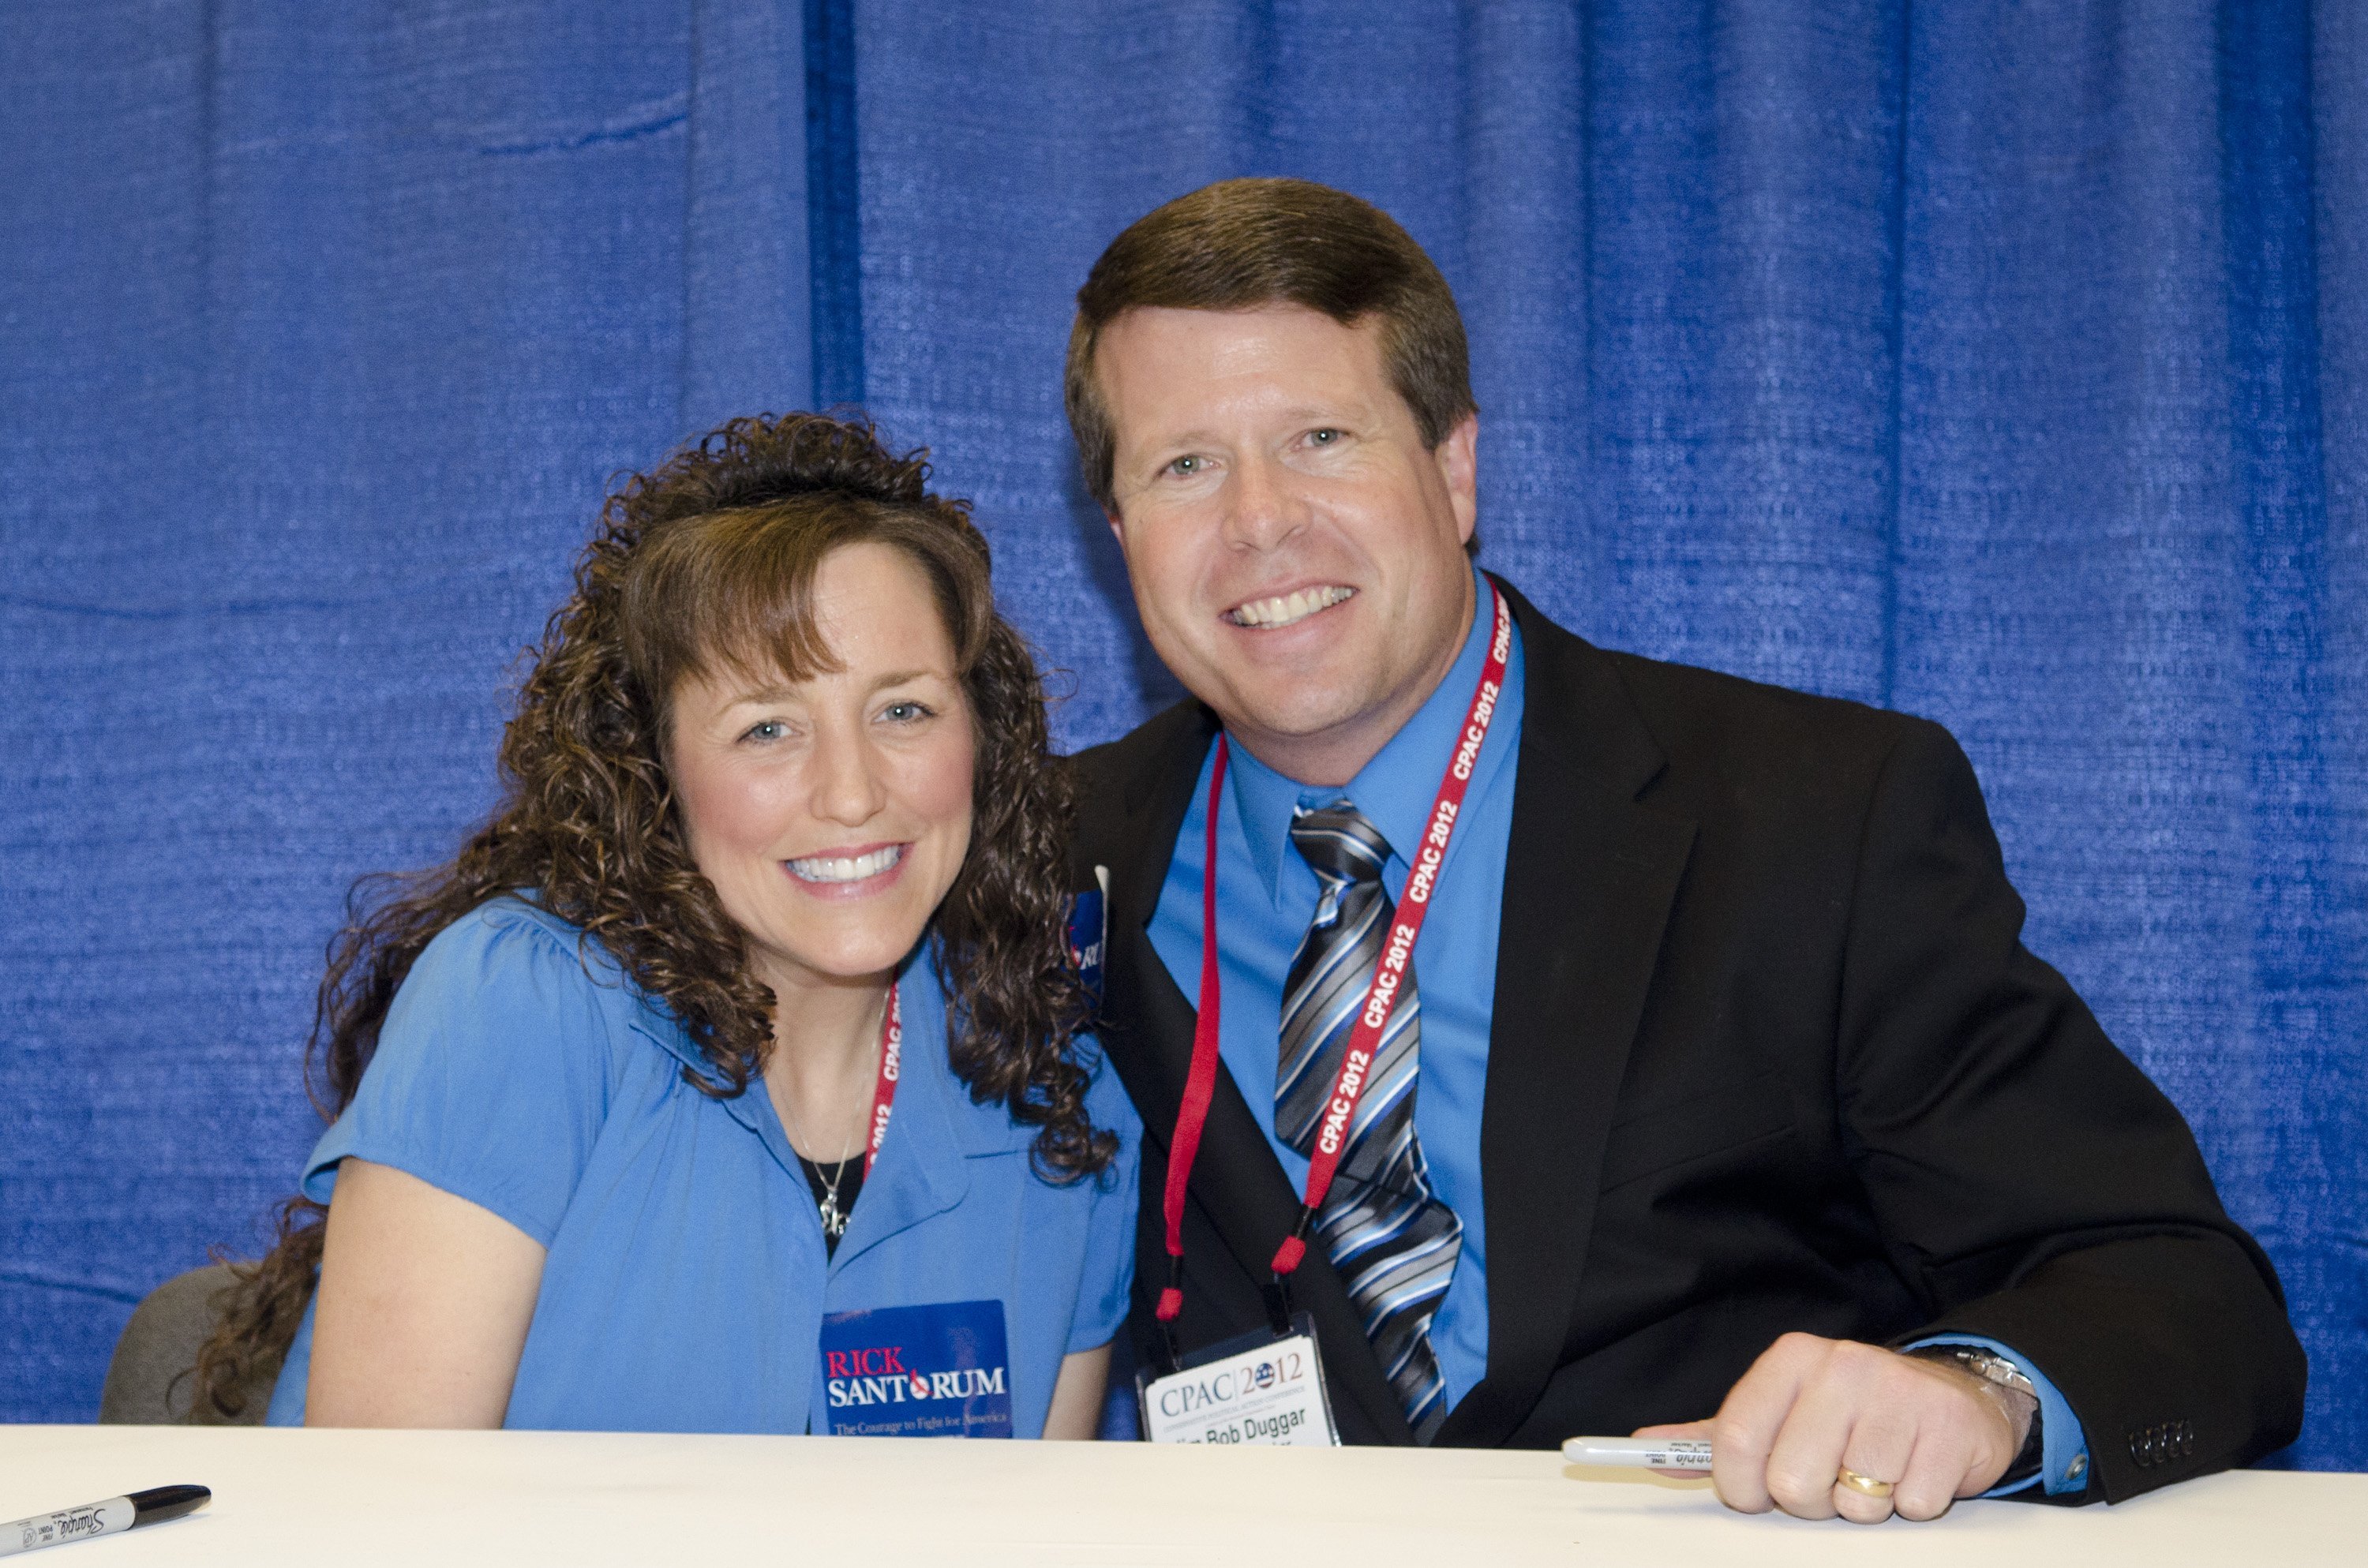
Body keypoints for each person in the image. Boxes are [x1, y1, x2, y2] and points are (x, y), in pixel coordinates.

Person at [1061, 178, 2305, 1517]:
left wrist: (1979, 1396)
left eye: (1319, 437)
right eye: (1185, 465)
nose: (1258, 521)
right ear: (1124, 535)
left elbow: (2182, 1292)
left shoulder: (1819, 820)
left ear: (1457, 467)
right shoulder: (1044, 862)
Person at [193, 413, 1138, 1439]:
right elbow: (376, 1533)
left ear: (983, 734)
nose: (853, 792)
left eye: (902, 710)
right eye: (767, 728)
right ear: (656, 773)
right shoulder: (521, 1008)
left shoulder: (1062, 1103)